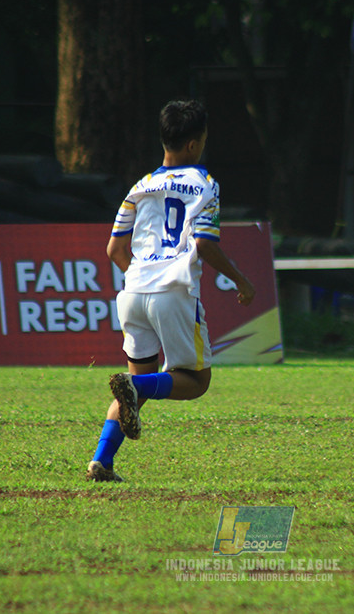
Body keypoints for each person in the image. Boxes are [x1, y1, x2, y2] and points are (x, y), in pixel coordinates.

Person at [88, 99, 256, 483]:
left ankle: (102, 460)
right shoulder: (206, 185)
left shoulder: (140, 186)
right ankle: (134, 386)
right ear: (194, 144)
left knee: (138, 391)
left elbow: (114, 249)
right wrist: (241, 280)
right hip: (174, 290)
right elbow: (205, 244)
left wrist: (142, 278)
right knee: (195, 382)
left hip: (132, 293)